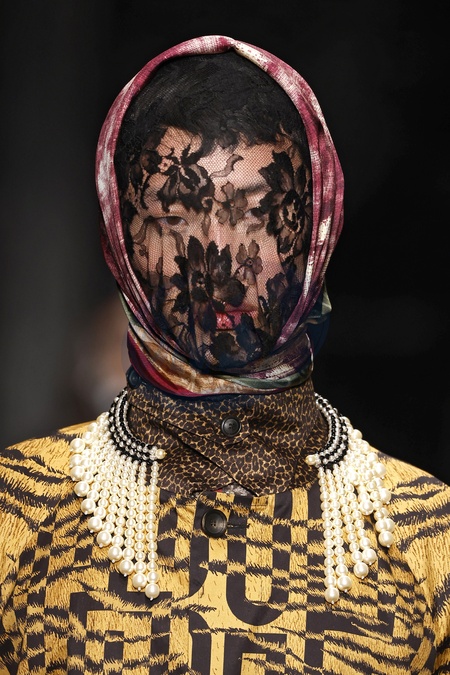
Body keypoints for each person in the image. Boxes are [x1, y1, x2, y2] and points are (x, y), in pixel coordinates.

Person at [1, 35, 449, 674]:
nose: (220, 269)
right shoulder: (19, 515)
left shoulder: (427, 540)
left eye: (260, 214)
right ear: (122, 237)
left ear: (316, 228)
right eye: (174, 219)